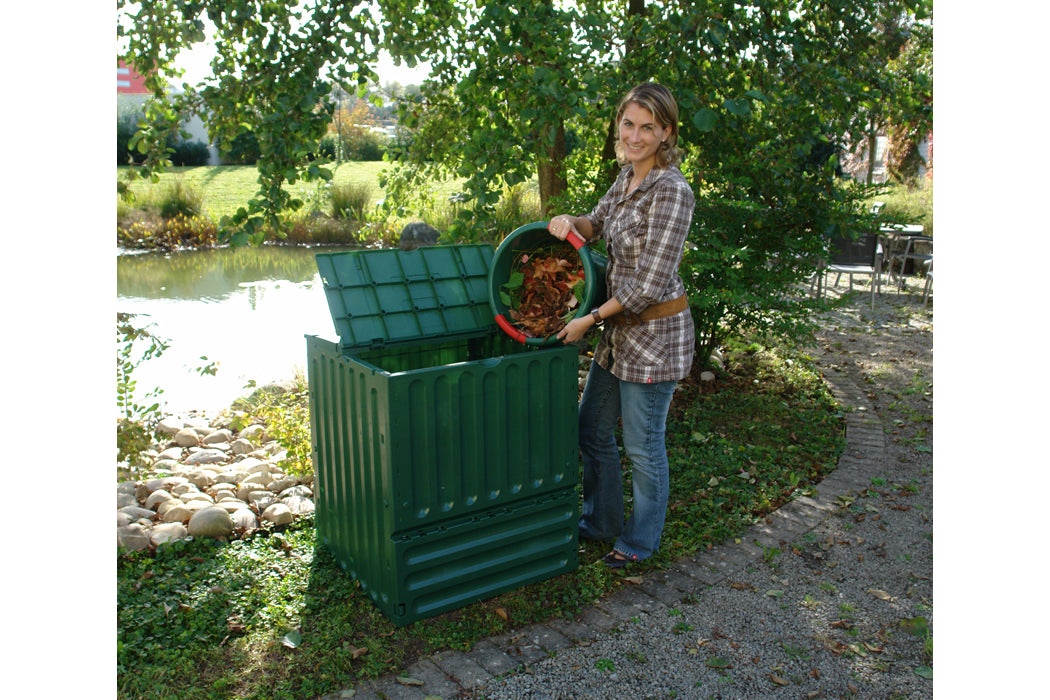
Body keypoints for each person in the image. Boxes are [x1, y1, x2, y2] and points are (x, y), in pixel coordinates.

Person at [547, 82, 695, 569]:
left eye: (647, 127)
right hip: (619, 335)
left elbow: (649, 284)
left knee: (643, 446)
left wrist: (587, 319)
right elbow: (597, 223)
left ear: (666, 132)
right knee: (590, 428)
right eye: (628, 124)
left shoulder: (672, 191)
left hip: (654, 339)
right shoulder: (627, 178)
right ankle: (600, 521)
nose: (634, 135)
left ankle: (640, 540)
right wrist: (570, 222)